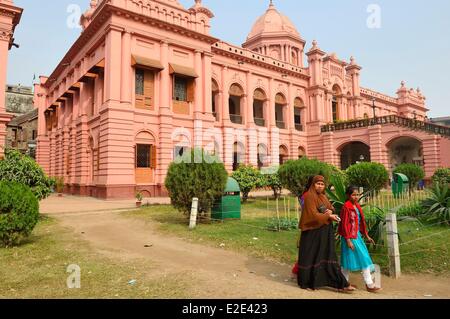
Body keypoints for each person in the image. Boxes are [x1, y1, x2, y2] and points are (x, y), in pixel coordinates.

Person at [297, 175, 355, 292]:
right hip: (312, 232)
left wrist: (330, 212)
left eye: (322, 184)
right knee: (311, 257)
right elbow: (312, 215)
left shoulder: (323, 197)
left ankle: (340, 283)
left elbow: (330, 208)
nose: (320, 186)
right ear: (313, 184)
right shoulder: (309, 196)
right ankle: (307, 282)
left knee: (328, 255)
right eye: (317, 183)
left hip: (324, 231)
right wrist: (328, 215)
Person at [339, 186, 381, 293]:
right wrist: (348, 240)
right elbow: (344, 225)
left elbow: (360, 222)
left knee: (363, 258)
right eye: (353, 195)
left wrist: (366, 235)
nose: (356, 197)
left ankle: (349, 283)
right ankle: (347, 284)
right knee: (349, 260)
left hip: (357, 236)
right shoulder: (346, 207)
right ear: (348, 195)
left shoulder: (356, 206)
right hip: (349, 237)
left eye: (357, 194)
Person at [292, 176, 315, 276]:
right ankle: (299, 271)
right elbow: (309, 212)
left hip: (312, 224)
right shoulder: (306, 196)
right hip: (309, 225)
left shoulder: (312, 195)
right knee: (308, 250)